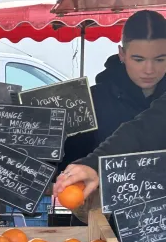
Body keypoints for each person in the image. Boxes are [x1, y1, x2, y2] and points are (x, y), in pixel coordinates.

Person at [61, 10, 166, 172]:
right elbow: (69, 166)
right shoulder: (91, 101)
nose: (149, 70)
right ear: (122, 54)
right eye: (138, 59)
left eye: (160, 59)